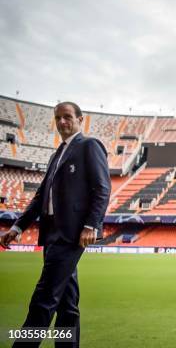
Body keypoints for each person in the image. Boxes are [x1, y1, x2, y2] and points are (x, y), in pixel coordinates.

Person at [0, 101, 111, 347]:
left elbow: (102, 188)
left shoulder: (89, 146)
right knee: (67, 304)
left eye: (67, 117)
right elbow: (41, 196)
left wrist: (91, 225)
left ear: (80, 119)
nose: (62, 122)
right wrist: (18, 227)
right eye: (58, 118)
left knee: (43, 299)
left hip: (71, 236)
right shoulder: (56, 154)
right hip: (51, 235)